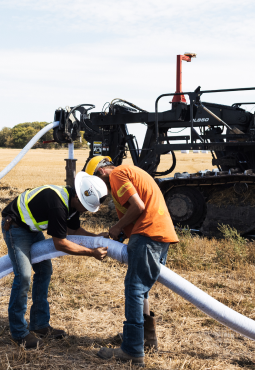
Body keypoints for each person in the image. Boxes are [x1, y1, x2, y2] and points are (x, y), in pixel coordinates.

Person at [85, 156, 179, 365]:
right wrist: (117, 233)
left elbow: (138, 207)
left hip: (147, 234)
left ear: (101, 172)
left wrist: (117, 226)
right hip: (158, 233)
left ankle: (132, 350)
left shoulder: (117, 174)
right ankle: (145, 340)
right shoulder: (131, 172)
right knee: (141, 290)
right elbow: (137, 212)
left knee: (134, 289)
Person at [1, 172, 109, 349]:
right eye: (85, 206)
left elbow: (73, 231)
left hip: (31, 229)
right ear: (78, 196)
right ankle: (19, 333)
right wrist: (91, 252)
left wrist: (96, 237)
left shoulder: (72, 203)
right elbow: (61, 243)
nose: (85, 211)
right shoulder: (58, 204)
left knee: (44, 270)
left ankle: (40, 324)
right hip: (15, 227)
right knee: (24, 276)